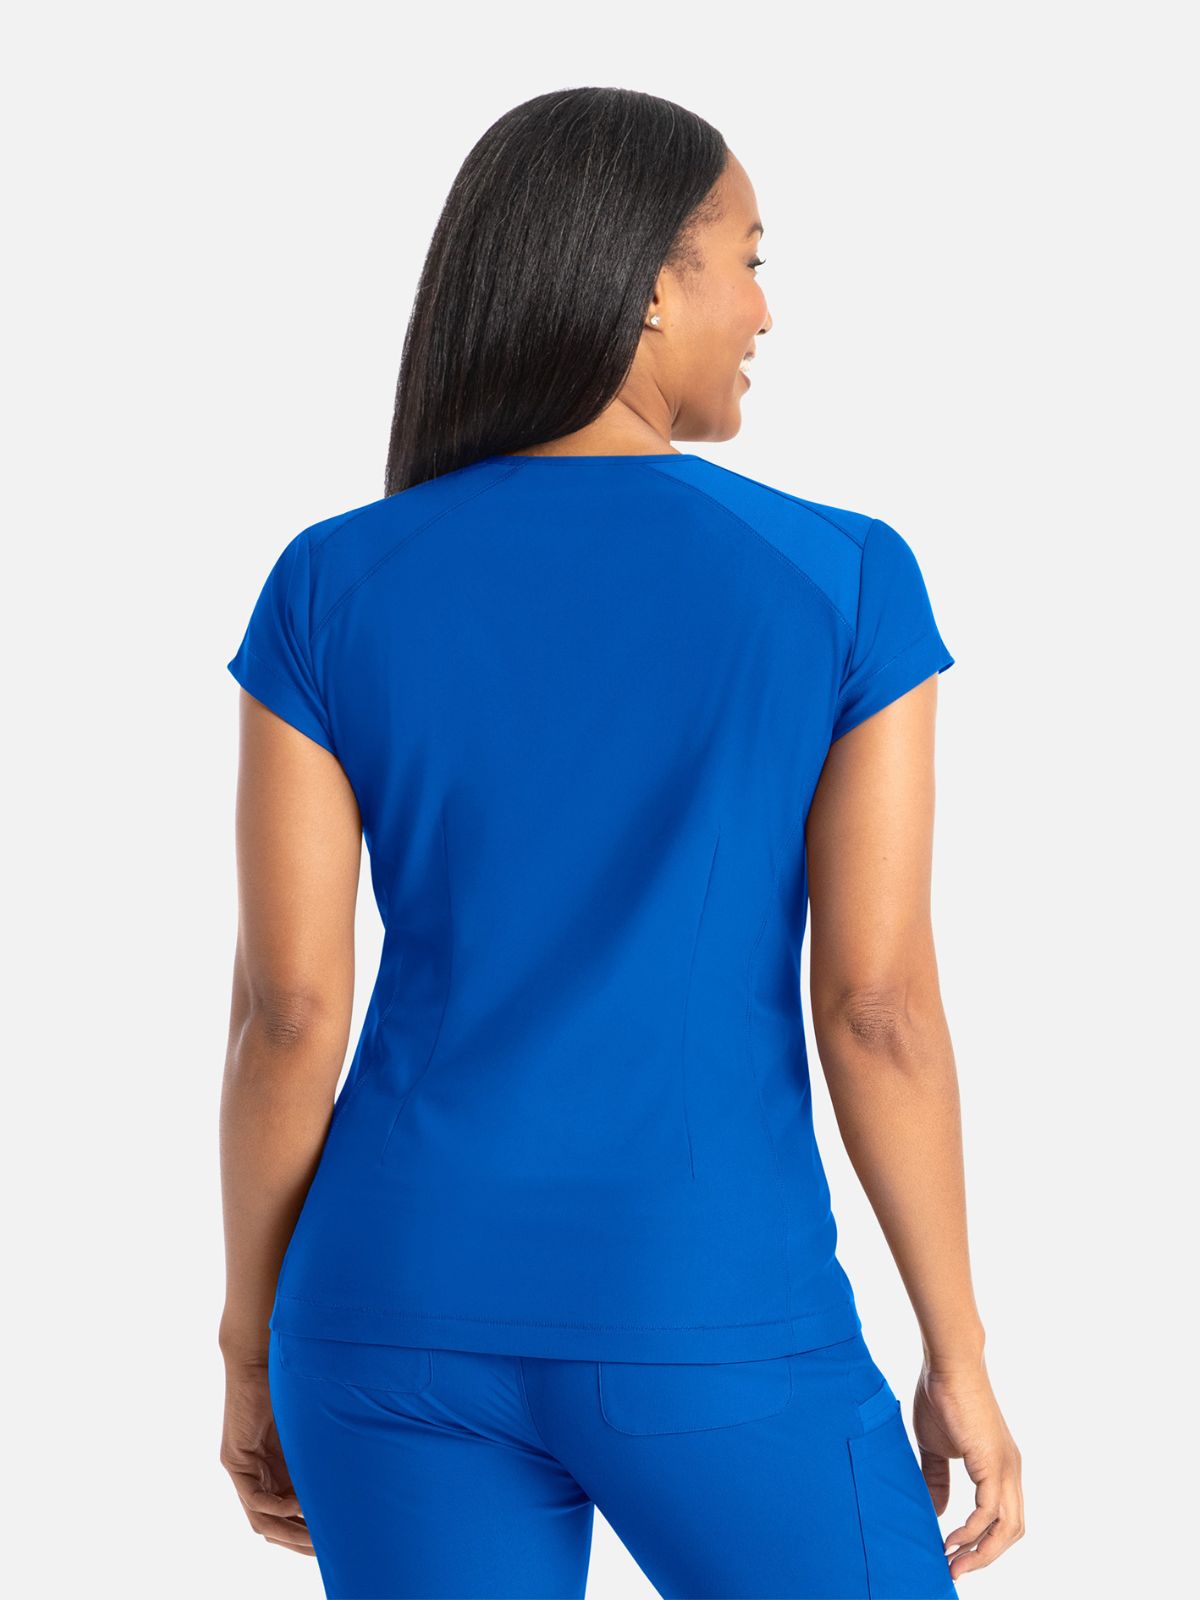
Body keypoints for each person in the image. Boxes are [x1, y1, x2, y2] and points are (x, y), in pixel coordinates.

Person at [218, 86, 1024, 1600]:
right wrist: (959, 1350)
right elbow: (877, 1007)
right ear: (651, 283)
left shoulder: (331, 583)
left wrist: (248, 1344)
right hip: (709, 1309)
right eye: (750, 260)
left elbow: (291, 1013)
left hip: (389, 1313)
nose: (766, 310)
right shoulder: (838, 578)